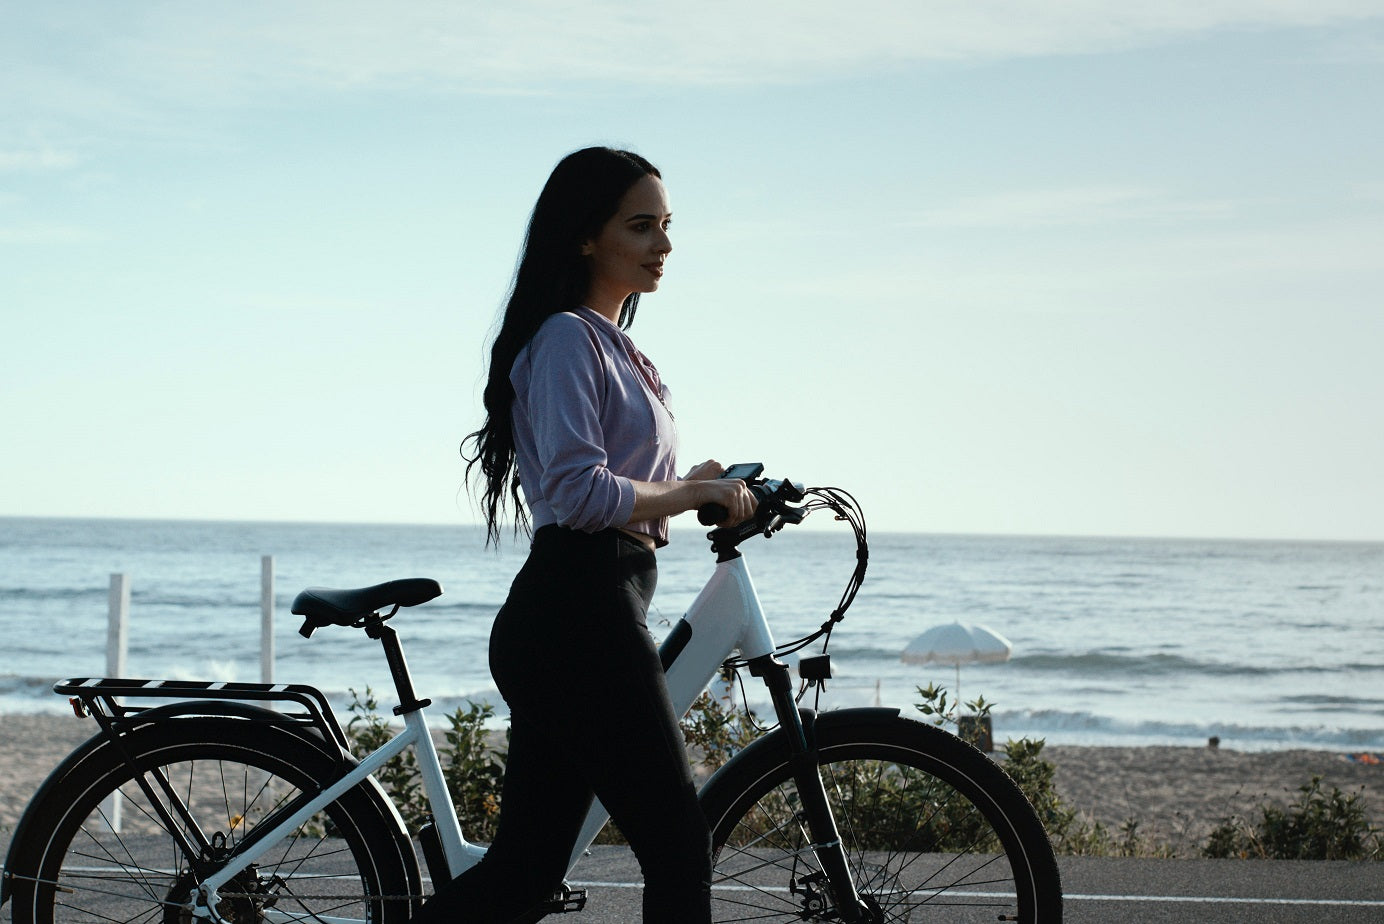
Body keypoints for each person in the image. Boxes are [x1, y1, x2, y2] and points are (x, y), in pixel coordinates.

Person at [418, 147, 755, 922]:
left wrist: (700, 480)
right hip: (580, 612)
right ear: (584, 237)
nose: (663, 245)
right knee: (677, 846)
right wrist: (696, 489)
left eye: (666, 226)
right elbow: (579, 493)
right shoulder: (569, 337)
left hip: (583, 613)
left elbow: (624, 485)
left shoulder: (614, 345)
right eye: (641, 227)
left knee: (526, 874)